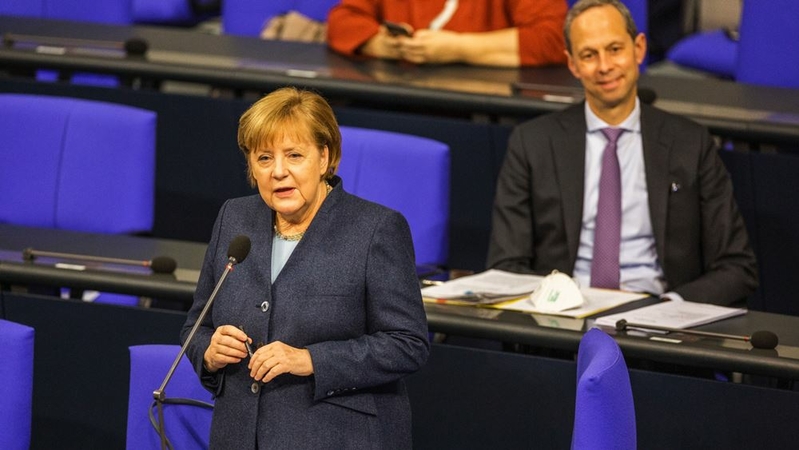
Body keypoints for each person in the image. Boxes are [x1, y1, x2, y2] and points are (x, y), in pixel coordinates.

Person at [181, 87, 430, 449]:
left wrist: (310, 359)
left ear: (324, 157)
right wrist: (208, 351)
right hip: (239, 435)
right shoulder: (234, 218)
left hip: (336, 436)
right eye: (264, 158)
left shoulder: (375, 229)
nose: (278, 172)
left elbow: (407, 344)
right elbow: (196, 325)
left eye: (294, 155)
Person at [486, 0, 757, 306]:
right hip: (564, 321)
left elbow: (736, 267)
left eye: (615, 49)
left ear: (638, 49)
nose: (604, 66)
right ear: (572, 64)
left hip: (659, 322)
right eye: (589, 55)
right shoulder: (532, 143)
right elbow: (506, 265)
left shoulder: (690, 143)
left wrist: (670, 307)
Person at [327, 0, 569, 68]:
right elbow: (342, 20)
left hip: (485, 112)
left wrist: (459, 48)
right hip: (396, 99)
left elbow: (553, 38)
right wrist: (381, 43)